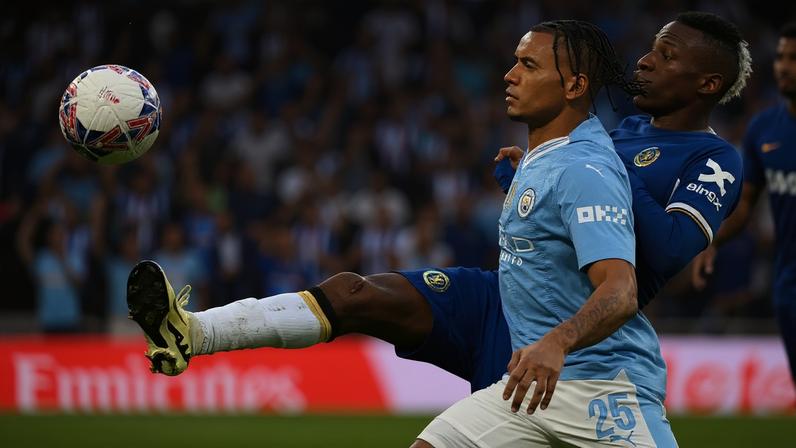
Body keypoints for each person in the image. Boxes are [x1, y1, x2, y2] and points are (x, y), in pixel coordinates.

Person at [127, 12, 748, 443]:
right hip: (503, 298)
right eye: (652, 47)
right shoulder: (621, 134)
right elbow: (577, 203)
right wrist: (536, 174)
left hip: (576, 343)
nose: (645, 60)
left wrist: (597, 167)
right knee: (355, 292)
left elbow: (666, 250)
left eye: (667, 56)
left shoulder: (711, 159)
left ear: (708, 83)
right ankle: (194, 333)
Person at [691, 21, 796, 382]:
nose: (784, 66)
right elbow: (746, 204)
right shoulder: (764, 129)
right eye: (781, 57)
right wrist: (712, 241)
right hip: (789, 280)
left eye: (794, 59)